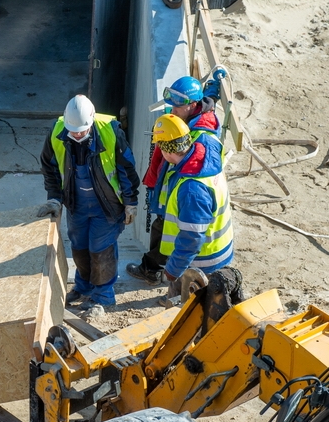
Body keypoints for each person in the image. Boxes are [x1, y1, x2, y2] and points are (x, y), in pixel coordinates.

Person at [37, 94, 141, 315]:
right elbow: (50, 167)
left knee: (100, 249)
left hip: (107, 206)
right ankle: (83, 287)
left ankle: (103, 297)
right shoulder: (57, 132)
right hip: (77, 204)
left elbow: (126, 169)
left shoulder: (110, 131)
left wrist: (130, 202)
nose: (76, 134)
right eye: (72, 130)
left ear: (91, 122)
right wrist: (54, 197)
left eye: (81, 131)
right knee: (80, 247)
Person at [127, 72, 224, 285]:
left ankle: (154, 270)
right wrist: (212, 90)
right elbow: (208, 102)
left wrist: (182, 186)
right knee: (161, 231)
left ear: (192, 105)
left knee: (165, 234)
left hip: (177, 192)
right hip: (170, 188)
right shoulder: (192, 115)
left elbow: (195, 167)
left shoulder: (201, 135)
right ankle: (154, 268)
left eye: (177, 106)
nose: (173, 110)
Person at [147, 113, 233, 300]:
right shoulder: (205, 156)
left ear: (165, 149)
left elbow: (192, 238)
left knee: (186, 314)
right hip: (219, 249)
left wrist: (173, 270)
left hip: (201, 262)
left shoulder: (192, 189)